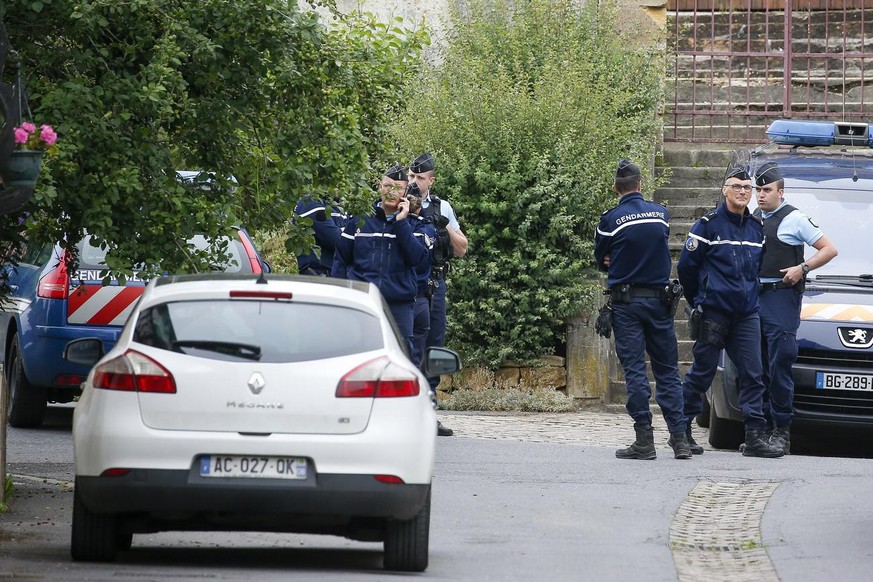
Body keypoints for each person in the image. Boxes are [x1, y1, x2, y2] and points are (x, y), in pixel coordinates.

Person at [677, 166, 784, 458]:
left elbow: (756, 269)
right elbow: (686, 267)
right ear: (725, 190)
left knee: (753, 374)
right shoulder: (707, 226)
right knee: (702, 373)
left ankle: (754, 437)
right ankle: (681, 432)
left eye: (747, 188)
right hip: (714, 313)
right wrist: (699, 298)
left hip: (747, 314)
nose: (742, 192)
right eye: (736, 186)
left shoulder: (755, 228)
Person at [594, 159, 691, 460]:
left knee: (635, 369)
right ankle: (680, 439)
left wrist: (615, 261)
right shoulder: (660, 214)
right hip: (660, 304)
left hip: (627, 304)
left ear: (616, 187)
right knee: (667, 371)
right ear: (640, 185)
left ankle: (644, 440)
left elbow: (601, 259)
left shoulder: (609, 220)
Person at [752, 161, 837, 454]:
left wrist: (802, 267)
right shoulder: (752, 218)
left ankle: (780, 431)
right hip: (755, 297)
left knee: (779, 365)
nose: (760, 196)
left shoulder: (795, 218)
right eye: (757, 190)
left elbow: (829, 249)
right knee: (757, 366)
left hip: (781, 298)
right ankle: (759, 430)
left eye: (766, 190)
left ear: (781, 191)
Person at [335, 164, 428, 357]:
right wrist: (340, 296)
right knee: (358, 356)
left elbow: (418, 260)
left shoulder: (413, 223)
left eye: (398, 188)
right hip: (362, 301)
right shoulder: (360, 220)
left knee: (401, 359)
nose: (392, 192)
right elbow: (341, 259)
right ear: (380, 187)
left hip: (399, 304)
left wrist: (401, 223)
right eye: (388, 186)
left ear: (405, 192)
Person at [408, 152, 468, 437]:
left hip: (434, 285)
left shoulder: (442, 206)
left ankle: (428, 413)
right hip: (407, 285)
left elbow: (462, 247)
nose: (413, 182)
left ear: (431, 181)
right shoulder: (400, 202)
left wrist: (444, 227)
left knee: (433, 347)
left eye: (419, 178)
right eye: (411, 176)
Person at [406, 192, 437, 368]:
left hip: (398, 299)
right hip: (420, 298)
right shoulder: (426, 229)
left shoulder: (392, 228)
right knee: (416, 356)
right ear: (419, 209)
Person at [293, 195, 348, 277]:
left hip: (337, 276)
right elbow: (337, 240)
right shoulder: (310, 203)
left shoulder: (338, 205)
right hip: (320, 277)